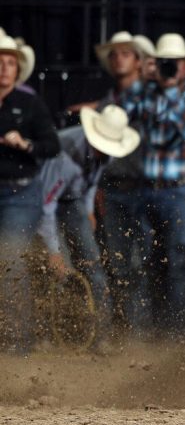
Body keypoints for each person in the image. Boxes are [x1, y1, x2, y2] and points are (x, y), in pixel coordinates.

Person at [118, 32, 185, 338]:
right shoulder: (144, 93)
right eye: (164, 63)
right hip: (148, 189)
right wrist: (148, 79)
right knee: (141, 262)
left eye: (173, 64)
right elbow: (121, 113)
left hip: (183, 191)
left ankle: (182, 335)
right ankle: (141, 334)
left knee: (181, 262)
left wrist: (168, 90)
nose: (169, 68)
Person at [36, 105, 140, 354]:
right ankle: (49, 335)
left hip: (73, 201)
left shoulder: (106, 153)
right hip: (42, 200)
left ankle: (98, 337)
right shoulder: (63, 154)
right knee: (56, 269)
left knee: (93, 266)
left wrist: (89, 209)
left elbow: (93, 179)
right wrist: (53, 251)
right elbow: (46, 204)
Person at [86, 32, 155, 336]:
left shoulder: (151, 97)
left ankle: (140, 329)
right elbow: (95, 157)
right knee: (121, 263)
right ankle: (130, 329)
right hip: (113, 189)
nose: (118, 59)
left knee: (140, 263)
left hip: (144, 187)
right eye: (114, 54)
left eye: (125, 53)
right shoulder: (107, 102)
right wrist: (96, 190)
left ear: (138, 61)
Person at [0, 33, 59, 354]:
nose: (4, 68)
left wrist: (26, 144)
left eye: (10, 62)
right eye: (0, 62)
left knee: (10, 261)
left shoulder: (29, 103)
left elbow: (52, 146)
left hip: (20, 194)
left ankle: (17, 342)